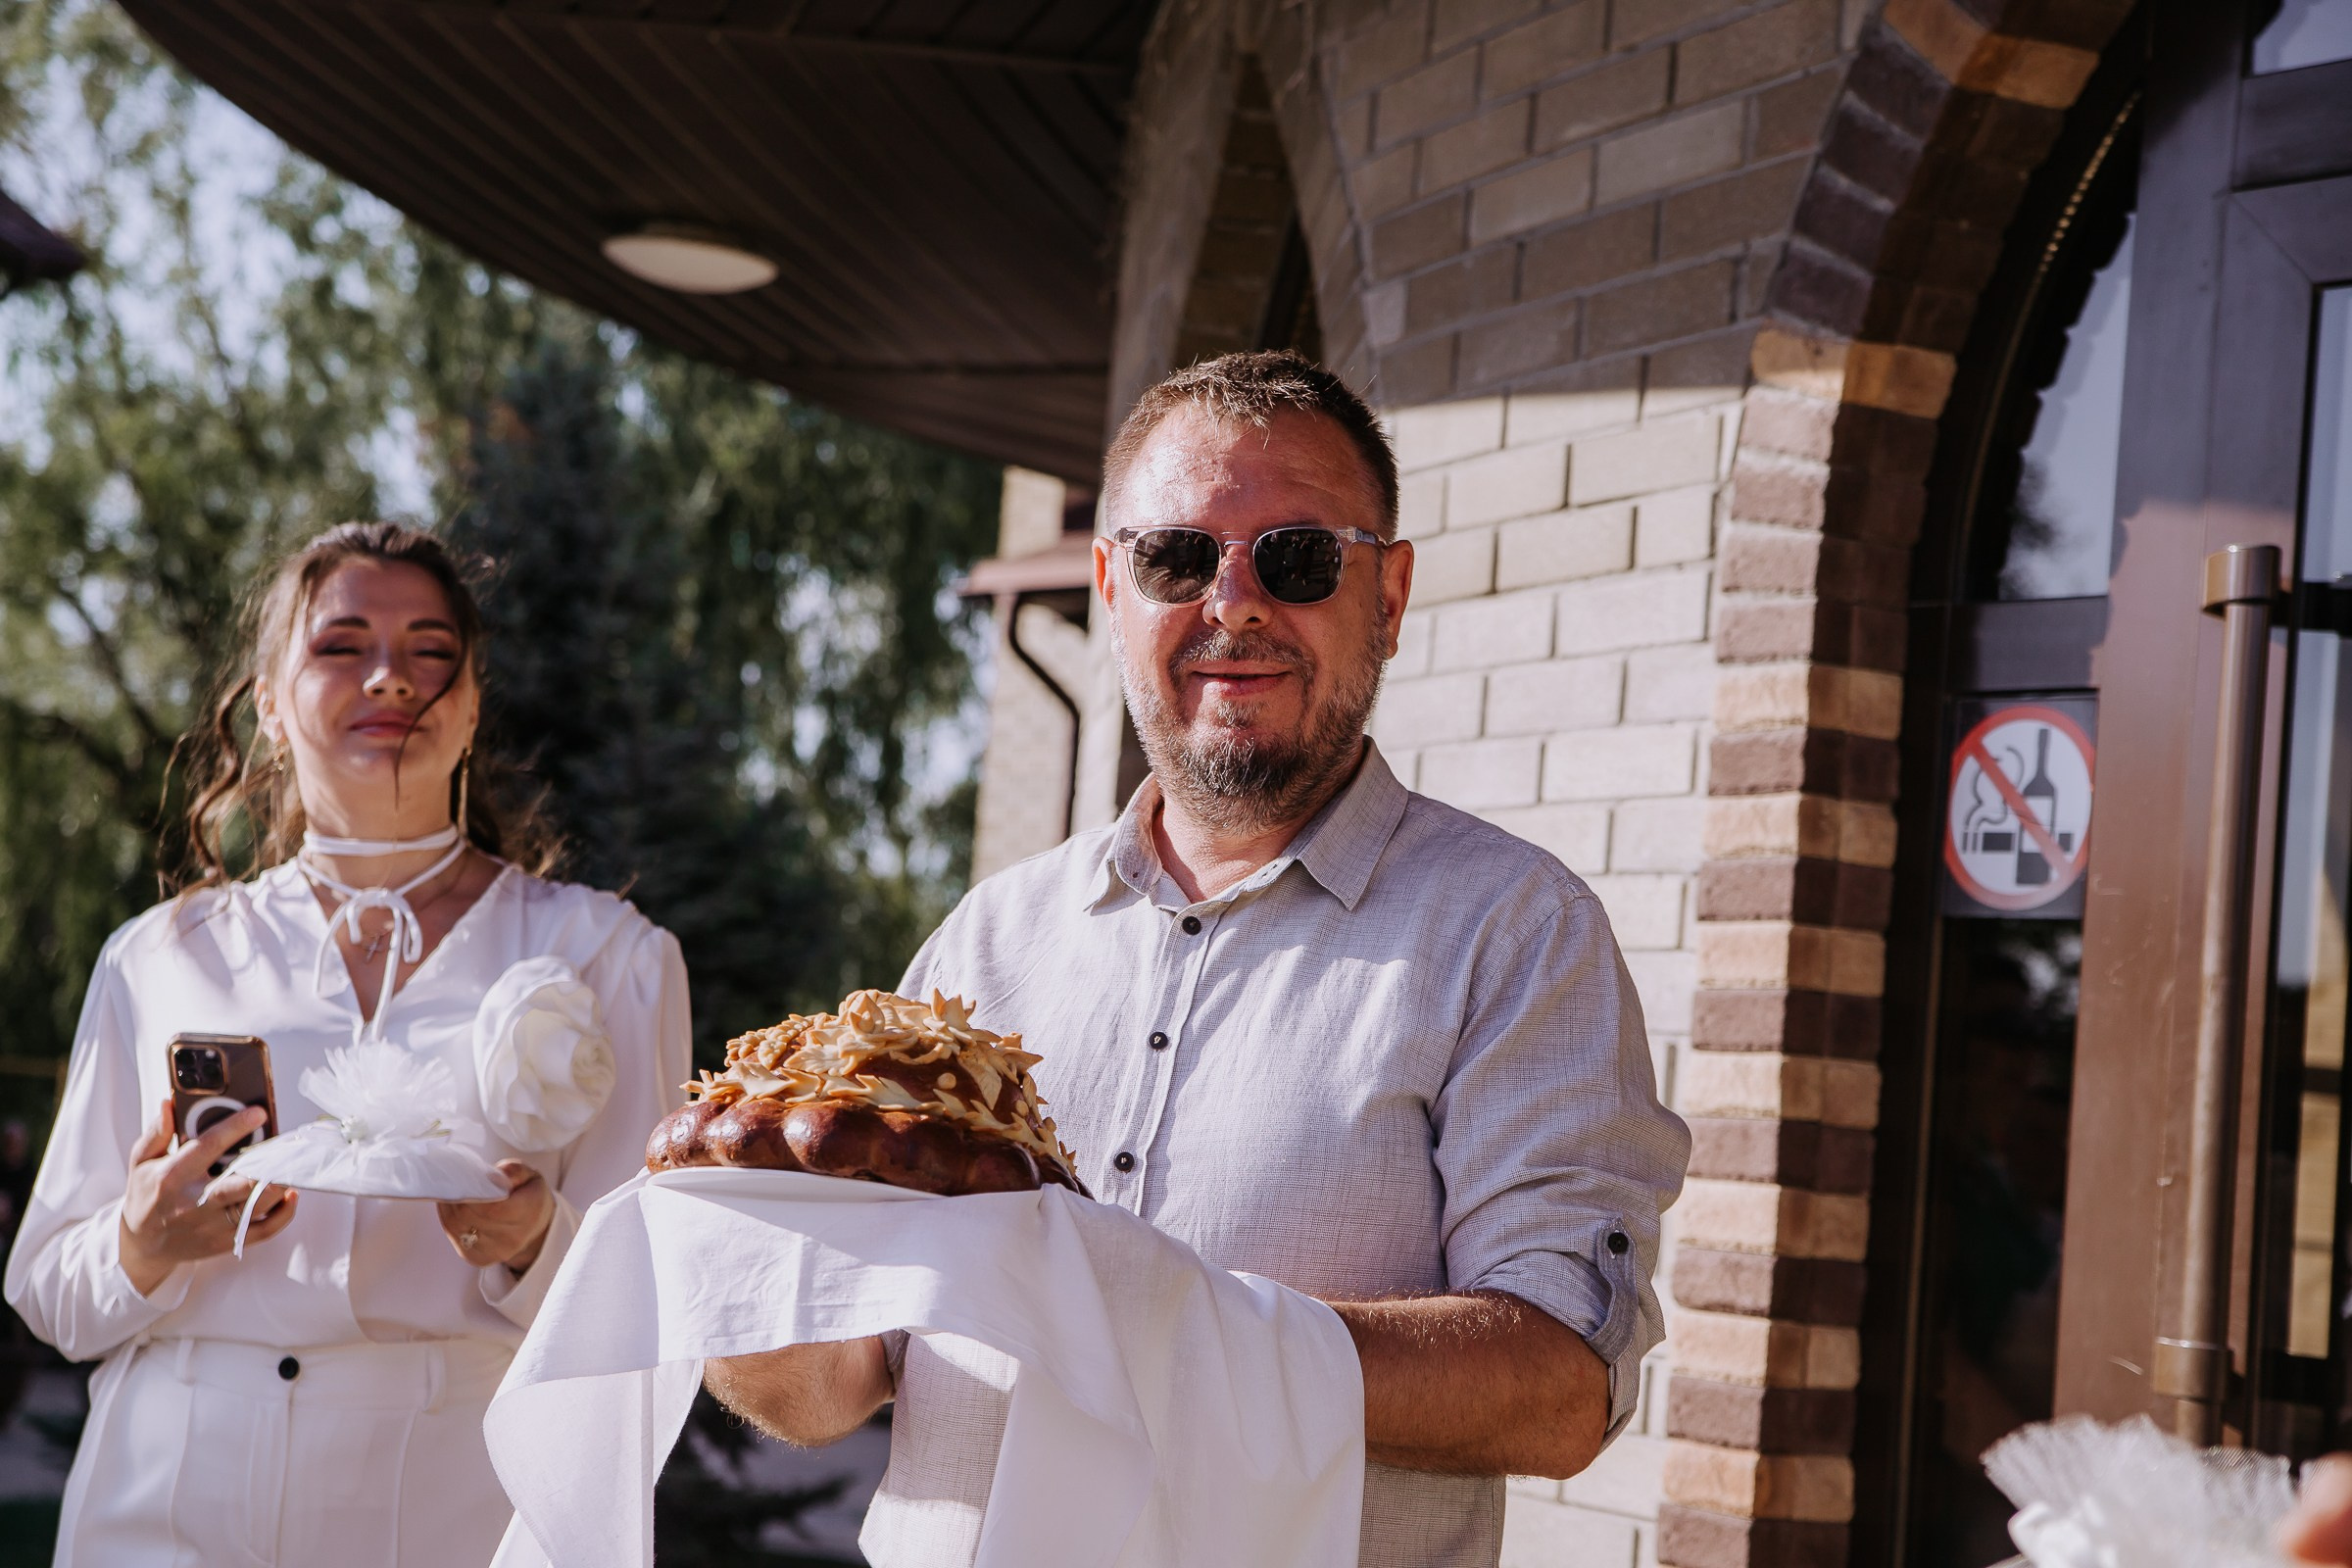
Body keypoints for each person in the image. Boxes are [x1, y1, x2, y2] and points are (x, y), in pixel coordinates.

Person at [702, 351, 1690, 1566]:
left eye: (1298, 557)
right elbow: (834, 1386)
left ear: (1387, 596)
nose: (1234, 604)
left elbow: (1560, 1386)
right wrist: (738, 1281)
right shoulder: (988, 938)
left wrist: (1173, 1323)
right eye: (1177, 557)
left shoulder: (1517, 931)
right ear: (1111, 587)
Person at [5, 522, 690, 1566]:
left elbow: (657, 1306)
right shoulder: (159, 956)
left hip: (452, 1507)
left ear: (471, 705)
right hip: (164, 1492)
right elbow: (50, 1289)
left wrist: (535, 1244)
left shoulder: (608, 957)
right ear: (272, 706)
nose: (390, 676)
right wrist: (142, 1240)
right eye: (341, 644)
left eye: (431, 649)